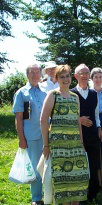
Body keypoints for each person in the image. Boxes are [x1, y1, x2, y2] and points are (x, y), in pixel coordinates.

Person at [40, 65, 90, 204]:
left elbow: (77, 121)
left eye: (67, 76)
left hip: (75, 145)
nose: (65, 79)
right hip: (58, 146)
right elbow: (43, 120)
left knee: (77, 179)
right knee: (63, 182)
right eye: (61, 77)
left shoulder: (75, 97)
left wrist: (81, 143)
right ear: (56, 79)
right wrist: (46, 145)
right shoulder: (53, 95)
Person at [12, 64, 46, 205]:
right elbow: (19, 118)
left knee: (47, 166)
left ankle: (48, 193)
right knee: (35, 167)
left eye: (37, 72)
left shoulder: (45, 92)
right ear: (27, 74)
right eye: (32, 73)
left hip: (46, 135)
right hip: (31, 136)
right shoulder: (21, 93)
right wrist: (21, 139)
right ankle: (36, 198)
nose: (35, 75)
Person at [71, 64, 102, 202]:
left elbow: (96, 114)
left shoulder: (93, 94)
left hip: (93, 133)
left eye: (86, 73)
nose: (84, 75)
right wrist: (79, 120)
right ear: (76, 76)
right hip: (77, 134)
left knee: (94, 163)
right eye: (81, 73)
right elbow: (68, 115)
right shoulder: (71, 93)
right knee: (80, 164)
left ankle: (93, 193)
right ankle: (80, 194)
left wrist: (99, 128)